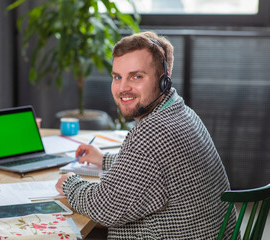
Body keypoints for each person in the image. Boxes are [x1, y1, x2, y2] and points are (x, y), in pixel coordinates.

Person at [56, 31, 237, 239]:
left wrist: (70, 182)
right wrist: (103, 159)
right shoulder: (181, 112)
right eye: (117, 77)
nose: (123, 88)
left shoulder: (153, 133)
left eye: (137, 76)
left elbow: (104, 207)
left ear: (163, 80)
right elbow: (157, 168)